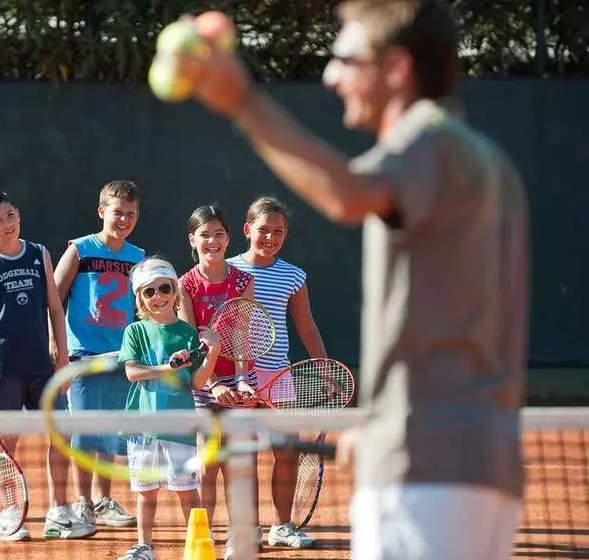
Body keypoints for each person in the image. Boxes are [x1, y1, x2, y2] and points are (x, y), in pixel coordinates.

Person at [179, 1, 529, 558]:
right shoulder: (483, 160)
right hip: (477, 457)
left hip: (427, 474)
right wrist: (382, 421)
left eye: (344, 57)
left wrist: (240, 100)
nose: (331, 75)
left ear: (394, 69)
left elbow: (343, 193)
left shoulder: (426, 145)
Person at [0, 185, 95, 540]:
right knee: (6, 440)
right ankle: (9, 511)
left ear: (19, 216)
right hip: (2, 368)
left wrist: (64, 358)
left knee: (61, 432)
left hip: (43, 365)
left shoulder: (39, 254)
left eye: (11, 215)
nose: (7, 223)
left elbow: (55, 309)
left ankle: (59, 509)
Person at [227, 196, 328, 549]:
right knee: (244, 454)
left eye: (278, 232)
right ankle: (249, 528)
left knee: (285, 450)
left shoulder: (293, 276)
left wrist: (324, 366)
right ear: (247, 230)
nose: (270, 237)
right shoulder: (227, 270)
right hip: (236, 378)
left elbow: (307, 326)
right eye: (263, 230)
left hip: (279, 377)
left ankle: (281, 526)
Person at [52, 179, 143, 529]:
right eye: (118, 212)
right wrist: (55, 343)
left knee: (110, 433)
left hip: (122, 357)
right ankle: (83, 503)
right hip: (83, 356)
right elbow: (54, 298)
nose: (123, 220)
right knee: (85, 432)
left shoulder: (138, 258)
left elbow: (147, 308)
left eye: (130, 215)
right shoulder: (80, 250)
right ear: (102, 211)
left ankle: (104, 501)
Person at [117, 257, 220, 560]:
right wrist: (165, 367)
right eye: (149, 292)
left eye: (164, 288)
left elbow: (199, 382)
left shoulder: (188, 334)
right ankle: (144, 546)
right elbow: (132, 373)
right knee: (146, 492)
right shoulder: (135, 331)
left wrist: (211, 353)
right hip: (143, 426)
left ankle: (199, 544)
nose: (158, 296)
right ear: (140, 299)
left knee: (187, 491)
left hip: (179, 427)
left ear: (175, 292)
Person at [176, 204, 262, 559]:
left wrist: (241, 381)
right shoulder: (185, 285)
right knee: (207, 465)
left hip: (239, 382)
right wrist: (213, 384)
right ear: (192, 240)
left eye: (219, 234)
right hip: (204, 384)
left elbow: (242, 333)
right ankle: (206, 538)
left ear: (229, 237)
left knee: (239, 464)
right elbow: (190, 341)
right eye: (205, 234)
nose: (212, 241)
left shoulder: (243, 280)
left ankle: (240, 538)